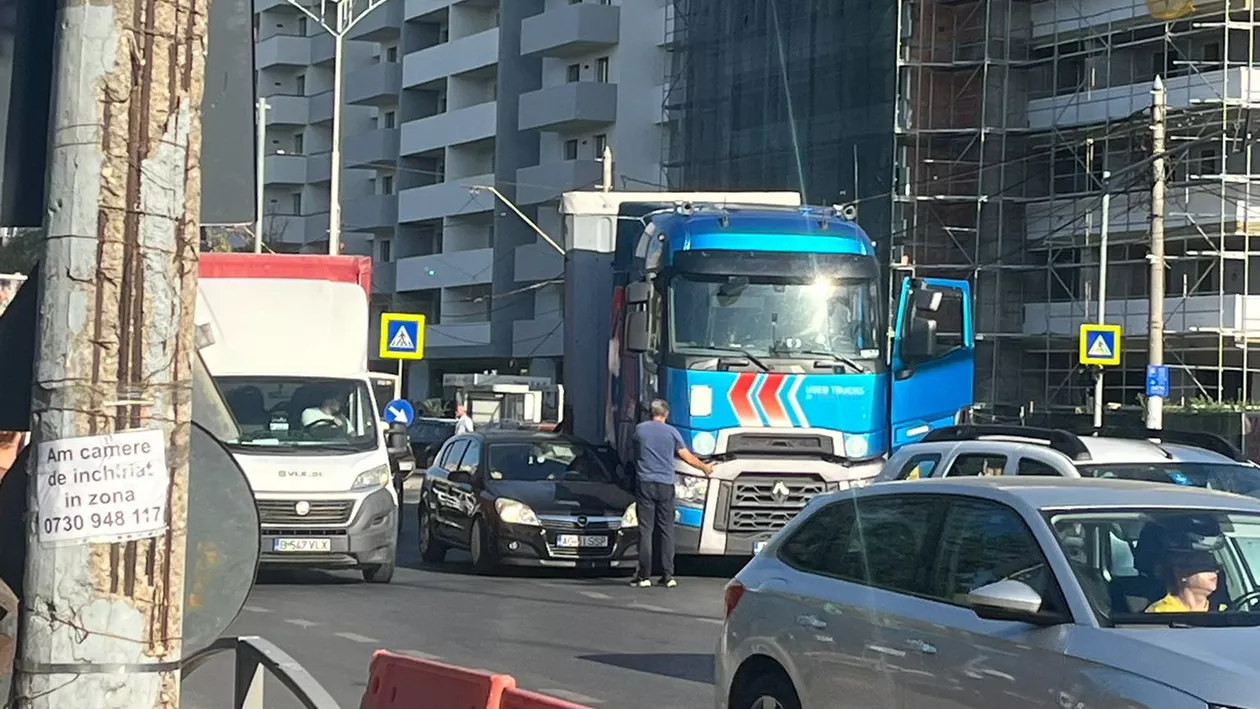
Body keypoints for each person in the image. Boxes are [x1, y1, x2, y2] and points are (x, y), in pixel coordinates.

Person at [630, 399, 714, 588]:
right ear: (666, 414)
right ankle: (668, 575)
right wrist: (704, 467)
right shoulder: (672, 432)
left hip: (645, 483)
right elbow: (686, 456)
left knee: (646, 530)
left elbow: (634, 451)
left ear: (650, 413)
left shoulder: (640, 430)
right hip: (666, 484)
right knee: (667, 529)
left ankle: (643, 576)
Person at [1145, 549, 1227, 613]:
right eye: (1204, 568)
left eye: (1215, 570)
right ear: (1183, 576)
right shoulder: (1159, 611)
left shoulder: (1224, 612)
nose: (1214, 574)